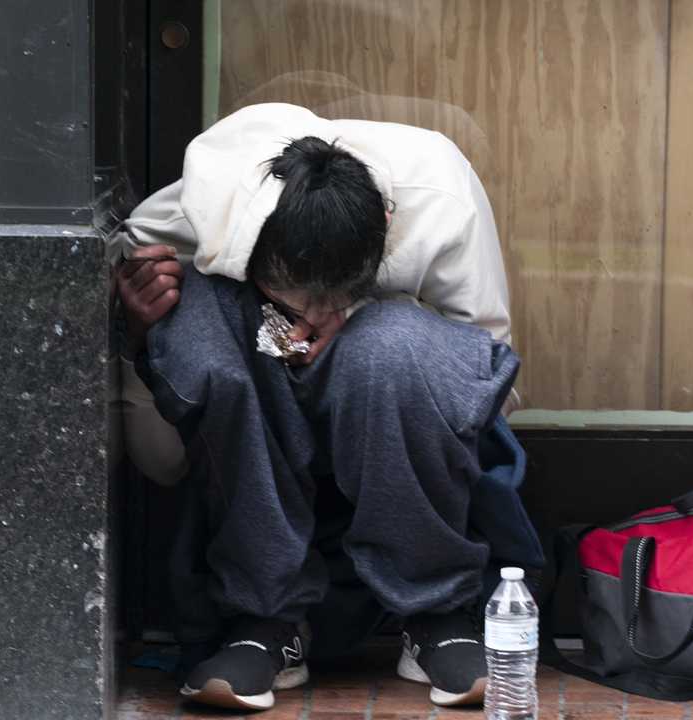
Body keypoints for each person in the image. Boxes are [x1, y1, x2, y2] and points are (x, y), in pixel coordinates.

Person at [110, 103, 542, 712]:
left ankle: (436, 616)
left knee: (388, 343)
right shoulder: (182, 216)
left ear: (387, 225)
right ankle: (263, 624)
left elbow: (486, 378)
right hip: (253, 436)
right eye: (294, 302)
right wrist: (135, 336)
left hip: (390, 425)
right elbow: (160, 463)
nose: (311, 321)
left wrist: (361, 333)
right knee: (197, 321)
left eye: (332, 301)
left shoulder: (440, 197)